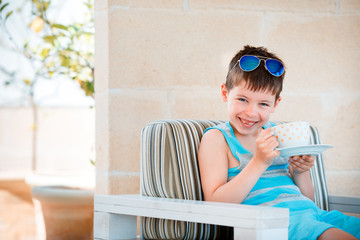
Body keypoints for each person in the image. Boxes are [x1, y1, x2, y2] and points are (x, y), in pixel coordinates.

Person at [198, 45, 360, 240]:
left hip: (313, 216)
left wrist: (301, 171)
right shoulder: (217, 139)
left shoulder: (276, 134)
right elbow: (216, 205)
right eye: (242, 99)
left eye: (263, 104)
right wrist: (259, 162)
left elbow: (306, 200)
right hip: (273, 225)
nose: (251, 112)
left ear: (276, 104)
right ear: (225, 93)